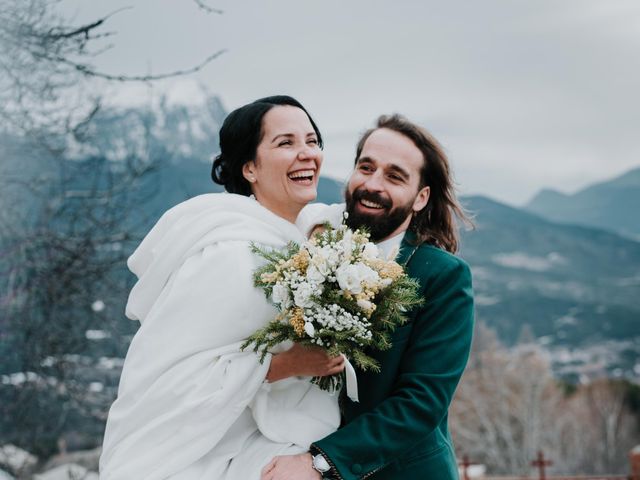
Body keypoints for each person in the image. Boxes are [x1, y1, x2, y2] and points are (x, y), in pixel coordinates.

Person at [99, 95, 345, 479]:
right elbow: (178, 380)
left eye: (312, 141)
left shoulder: (295, 242)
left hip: (257, 443)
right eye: (286, 143)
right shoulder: (229, 255)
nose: (307, 154)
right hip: (194, 457)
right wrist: (286, 365)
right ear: (250, 168)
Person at [262, 114, 475, 480]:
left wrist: (321, 462)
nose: (373, 184)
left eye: (394, 176)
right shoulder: (310, 247)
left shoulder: (443, 276)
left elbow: (421, 403)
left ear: (421, 197)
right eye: (366, 167)